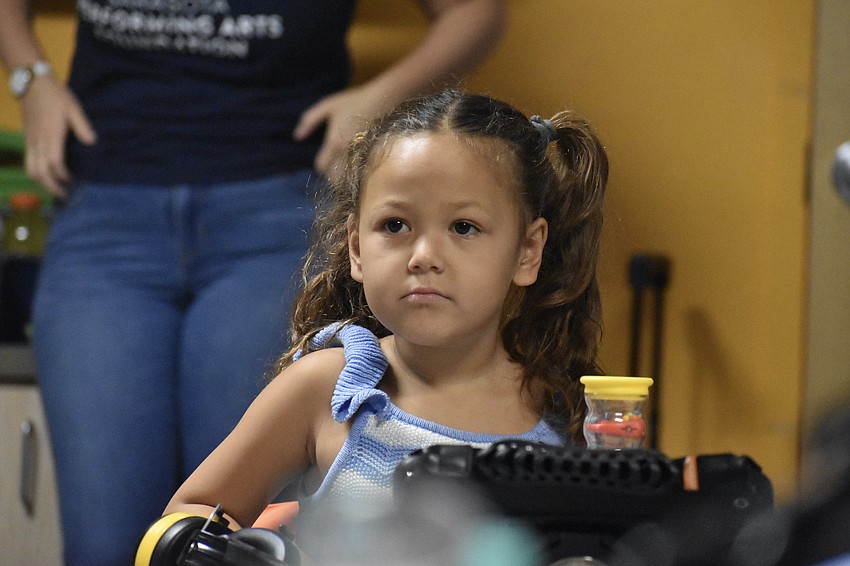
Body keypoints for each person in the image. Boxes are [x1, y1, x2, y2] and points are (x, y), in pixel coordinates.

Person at [0, 1, 506, 564]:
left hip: (277, 205)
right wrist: (31, 79)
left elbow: (473, 9)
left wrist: (378, 101)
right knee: (105, 546)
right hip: (105, 200)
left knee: (236, 543)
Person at [162, 89, 609, 559]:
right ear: (356, 247)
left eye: (464, 227)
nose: (424, 257)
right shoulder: (325, 389)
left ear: (528, 250)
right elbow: (191, 514)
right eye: (395, 226)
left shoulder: (569, 411)